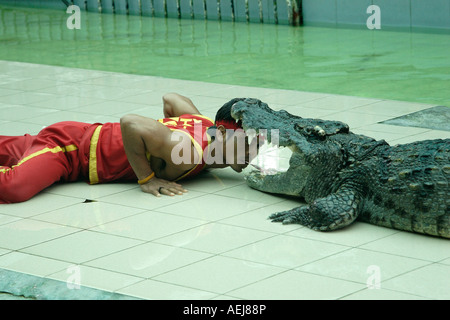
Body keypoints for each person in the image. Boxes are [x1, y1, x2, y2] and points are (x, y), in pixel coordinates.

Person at [0, 93, 258, 204]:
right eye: (246, 143)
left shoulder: (205, 125)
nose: (251, 152)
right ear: (222, 134)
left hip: (79, 134)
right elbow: (131, 123)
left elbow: (172, 98)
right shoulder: (187, 151)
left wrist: (161, 140)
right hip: (68, 151)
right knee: (14, 187)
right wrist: (146, 177)